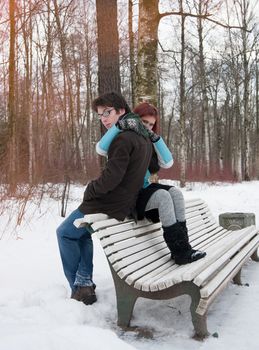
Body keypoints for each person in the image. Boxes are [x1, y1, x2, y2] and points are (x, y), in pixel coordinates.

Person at [56, 92, 153, 305]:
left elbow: (111, 178)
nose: (104, 119)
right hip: (124, 202)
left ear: (121, 111)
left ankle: (79, 287)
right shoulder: (142, 136)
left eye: (107, 113)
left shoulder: (122, 138)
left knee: (64, 233)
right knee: (80, 234)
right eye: (100, 115)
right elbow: (148, 168)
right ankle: (84, 282)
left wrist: (91, 188)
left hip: (109, 202)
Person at [96, 102, 206, 265]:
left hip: (145, 189)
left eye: (151, 124)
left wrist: (156, 139)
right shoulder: (123, 137)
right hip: (128, 195)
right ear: (135, 119)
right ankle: (181, 252)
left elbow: (168, 162)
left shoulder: (147, 141)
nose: (147, 127)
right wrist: (119, 126)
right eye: (143, 122)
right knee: (162, 196)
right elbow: (100, 149)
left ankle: (183, 248)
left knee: (175, 193)